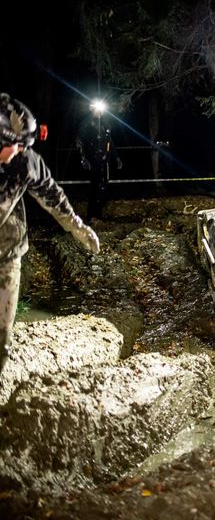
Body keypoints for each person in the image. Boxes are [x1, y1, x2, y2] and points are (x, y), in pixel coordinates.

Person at [0, 93, 100, 374]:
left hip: (6, 252)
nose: (17, 152)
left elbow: (51, 194)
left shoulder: (23, 161)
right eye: (11, 145)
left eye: (23, 146)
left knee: (1, 336)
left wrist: (77, 226)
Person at [75, 102, 122, 222]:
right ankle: (91, 215)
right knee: (95, 188)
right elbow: (79, 141)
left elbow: (110, 142)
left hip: (104, 161)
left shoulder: (105, 123)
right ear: (91, 109)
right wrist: (83, 158)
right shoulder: (86, 123)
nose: (99, 112)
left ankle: (98, 213)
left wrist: (116, 157)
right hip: (92, 160)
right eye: (96, 109)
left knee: (104, 188)